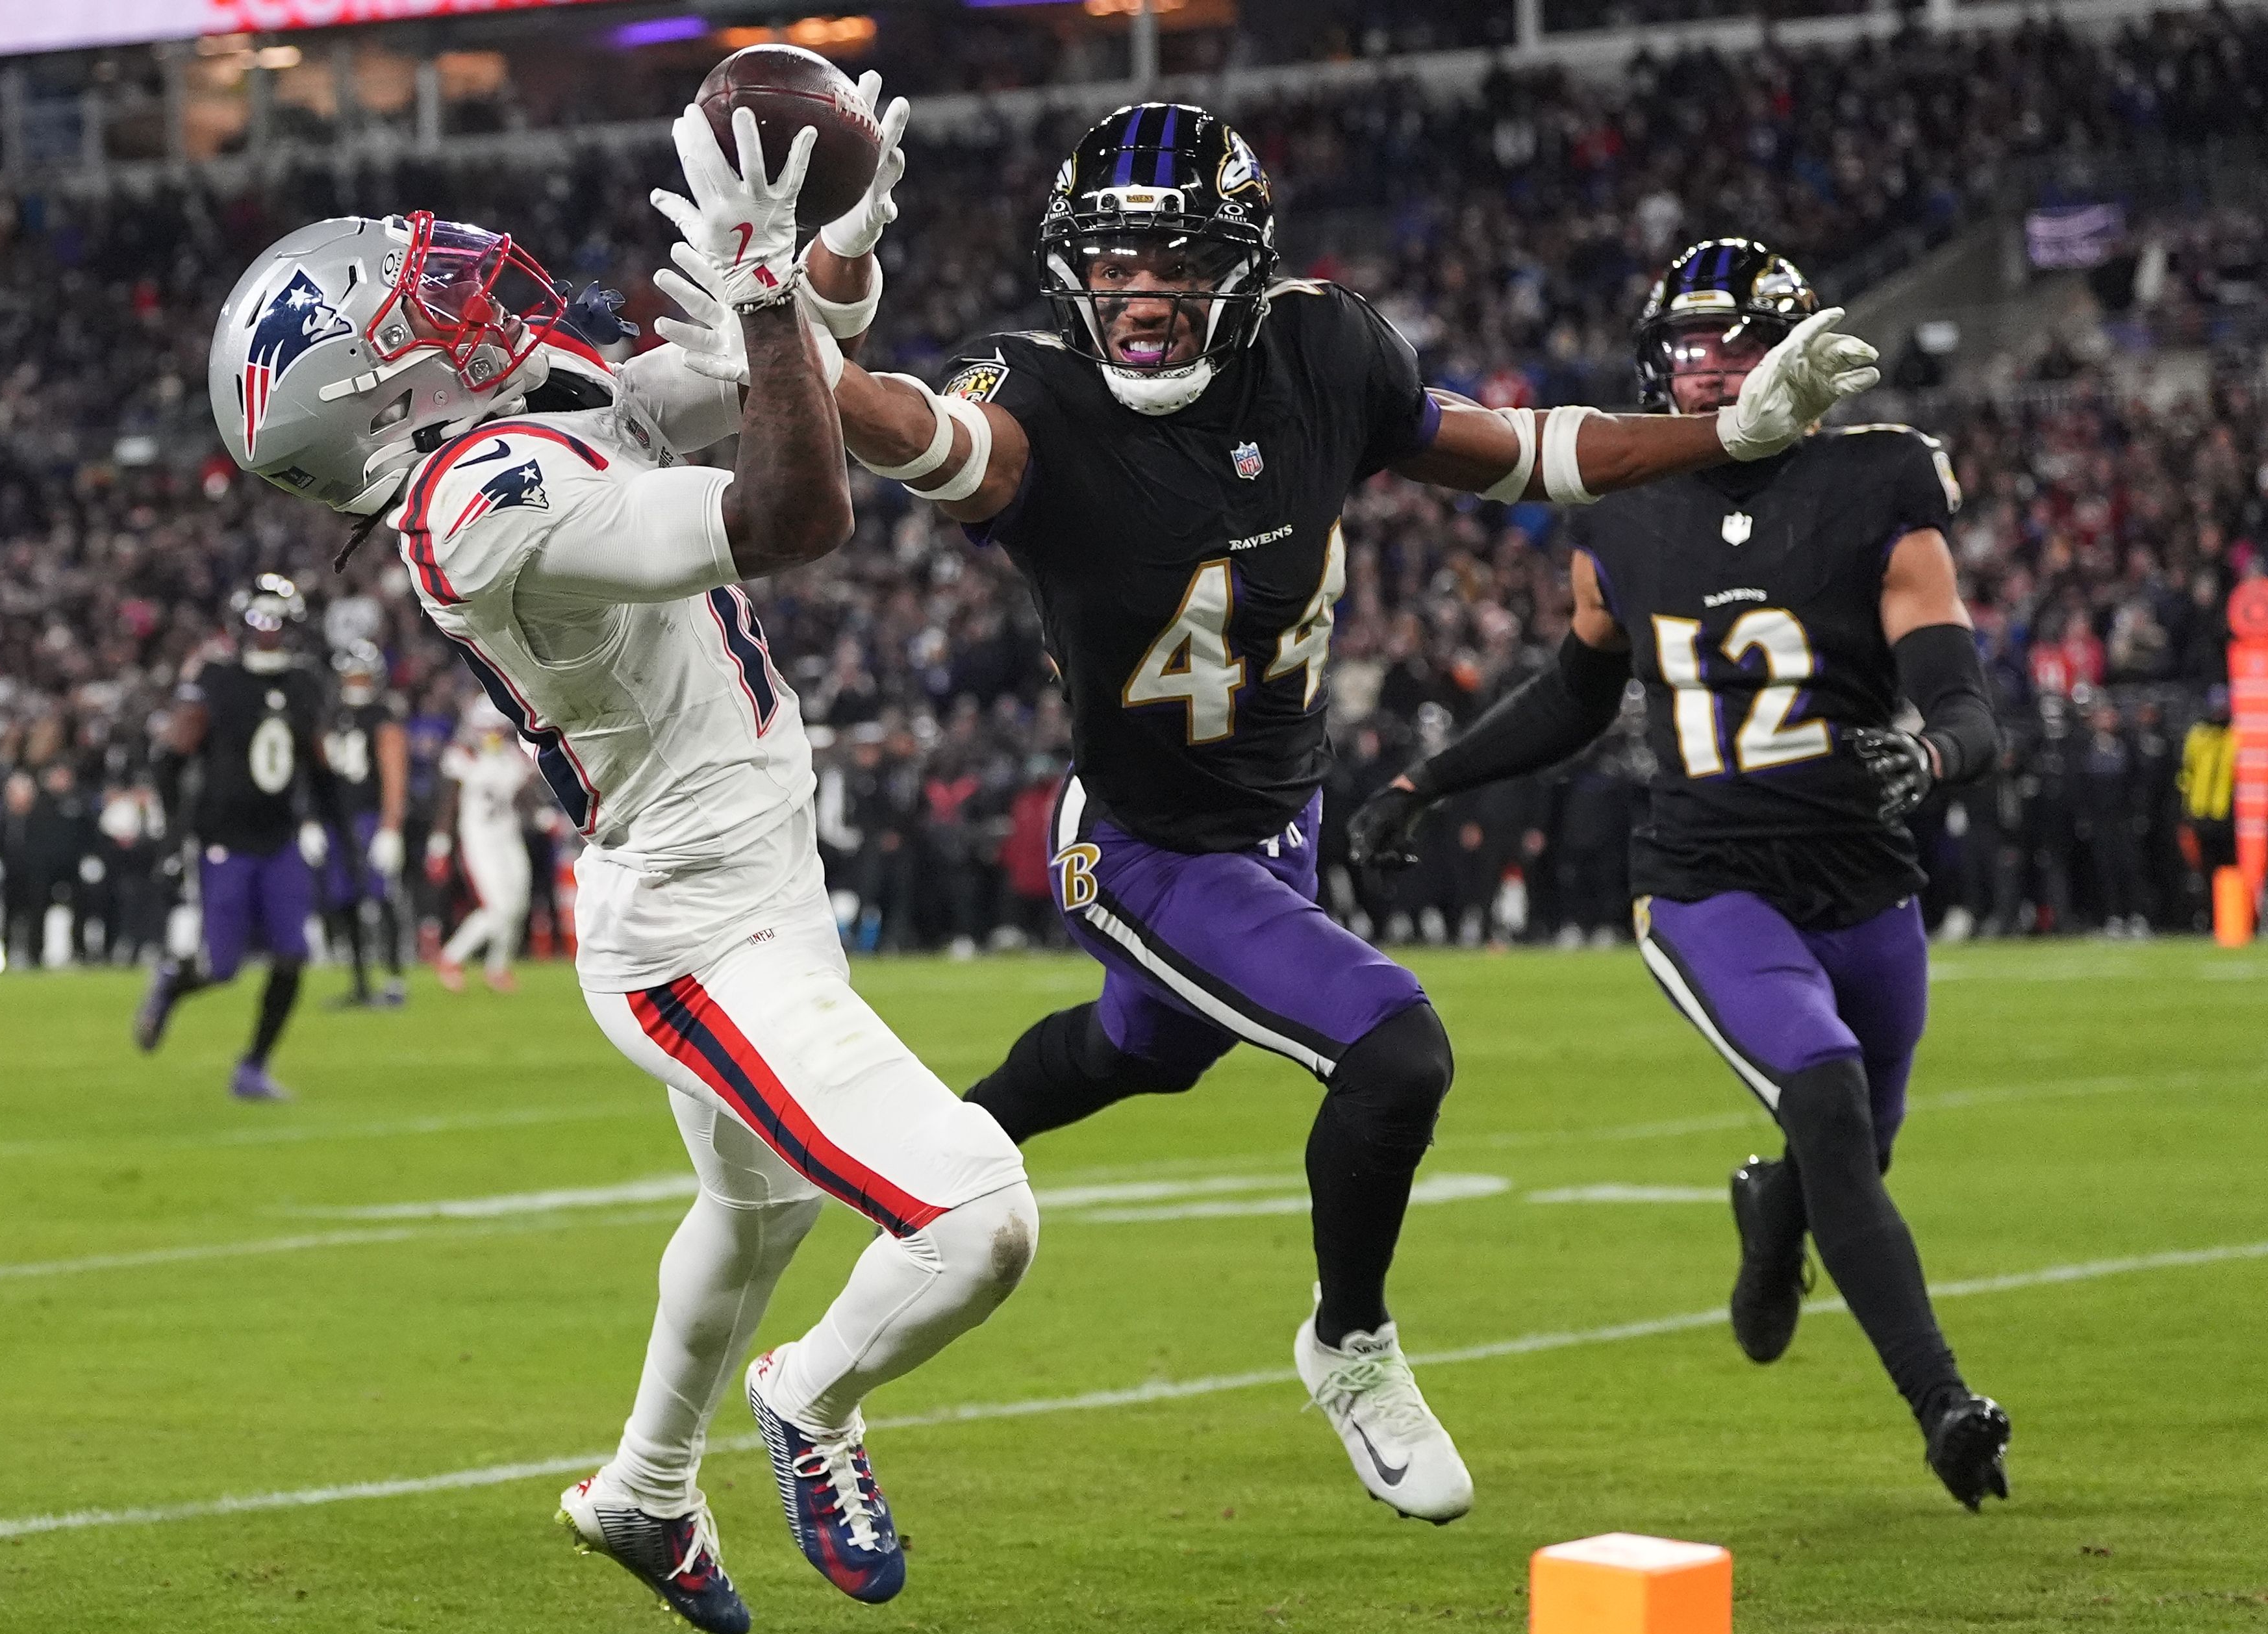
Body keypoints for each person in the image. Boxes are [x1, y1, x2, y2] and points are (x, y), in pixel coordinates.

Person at [784, 107, 1878, 1524]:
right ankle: (1350, 1341)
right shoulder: (1042, 411)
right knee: (1395, 1047)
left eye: (1169, 257)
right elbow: (910, 425)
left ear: (1236, 260)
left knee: (1145, 1046)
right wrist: (799, 317)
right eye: (1110, 266)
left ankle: (930, 1146)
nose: (1137, 296)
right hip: (1144, 840)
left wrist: (1721, 428)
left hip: (1277, 811)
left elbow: (1515, 452)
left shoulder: (1322, 353)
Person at [205, 83, 1035, 1634]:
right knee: (975, 1216)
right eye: (413, 300)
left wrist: (820, 255)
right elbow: (794, 505)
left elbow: (759, 378)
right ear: (370, 394)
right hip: (696, 937)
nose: (456, 284)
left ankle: (643, 1492)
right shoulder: (475, 505)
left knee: (759, 1209)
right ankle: (810, 1402)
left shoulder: (518, 411)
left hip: (753, 877)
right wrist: (769, 287)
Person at [1348, 238, 2011, 1509]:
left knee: (1855, 1146)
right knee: (1822, 1097)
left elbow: (1964, 699)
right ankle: (1945, 1405)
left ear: (1798, 355)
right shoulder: (1628, 510)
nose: (1711, 379)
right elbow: (1575, 692)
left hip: (1867, 879)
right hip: (1708, 879)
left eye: (1737, 350)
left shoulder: (1882, 478)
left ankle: (1776, 1215)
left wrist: (1931, 752)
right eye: (1691, 356)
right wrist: (1427, 782)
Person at [133, 576, 350, 1100]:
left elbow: (322, 769)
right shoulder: (215, 679)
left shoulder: (305, 684)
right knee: (222, 967)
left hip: (280, 837)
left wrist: (339, 832)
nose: (267, 633)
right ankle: (170, 985)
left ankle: (253, 1065)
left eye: (277, 622)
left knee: (293, 954)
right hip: (223, 837)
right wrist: (171, 830)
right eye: (258, 621)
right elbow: (170, 757)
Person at [316, 640, 410, 1006]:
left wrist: (391, 826)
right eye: (350, 674)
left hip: (369, 817)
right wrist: (312, 819)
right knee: (344, 901)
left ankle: (393, 980)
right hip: (337, 820)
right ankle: (359, 983)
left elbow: (394, 774)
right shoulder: (330, 715)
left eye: (361, 674)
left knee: (382, 897)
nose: (355, 681)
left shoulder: (381, 716)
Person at [426, 699, 537, 992]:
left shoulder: (512, 758)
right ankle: (451, 957)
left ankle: (498, 967)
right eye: (487, 729)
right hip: (478, 839)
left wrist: (539, 815)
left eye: (497, 730)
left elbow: (522, 797)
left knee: (519, 903)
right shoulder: (463, 757)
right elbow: (448, 800)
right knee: (498, 907)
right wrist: (440, 841)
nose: (492, 736)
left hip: (508, 834)